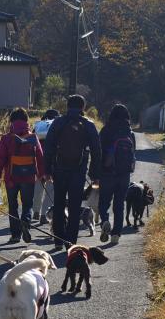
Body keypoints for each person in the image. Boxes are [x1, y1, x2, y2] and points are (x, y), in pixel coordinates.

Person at [44, 95, 101, 250]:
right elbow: (97, 150)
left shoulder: (58, 122)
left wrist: (47, 170)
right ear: (83, 107)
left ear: (67, 106)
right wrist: (94, 174)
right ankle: (71, 242)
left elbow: (48, 147)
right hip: (78, 170)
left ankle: (57, 240)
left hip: (59, 169)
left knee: (59, 203)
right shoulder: (88, 125)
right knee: (75, 206)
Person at [0, 107, 44, 244]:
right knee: (27, 205)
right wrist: (41, 174)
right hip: (28, 178)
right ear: (27, 121)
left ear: (11, 122)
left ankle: (15, 235)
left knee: (13, 206)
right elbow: (40, 156)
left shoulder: (7, 138)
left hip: (11, 179)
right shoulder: (33, 137)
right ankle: (25, 223)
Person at [98, 104, 136, 245]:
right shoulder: (129, 132)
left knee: (104, 202)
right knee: (119, 204)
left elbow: (98, 151)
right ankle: (116, 234)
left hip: (107, 172)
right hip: (124, 175)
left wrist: (96, 171)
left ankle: (105, 222)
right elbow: (133, 154)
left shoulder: (106, 130)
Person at [32, 109, 60, 224]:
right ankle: (44, 214)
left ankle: (36, 212)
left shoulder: (39, 127)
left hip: (38, 162)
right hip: (53, 162)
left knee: (38, 188)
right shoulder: (58, 126)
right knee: (50, 190)